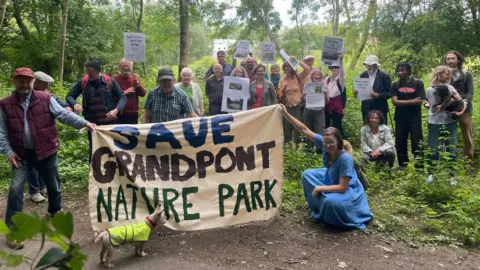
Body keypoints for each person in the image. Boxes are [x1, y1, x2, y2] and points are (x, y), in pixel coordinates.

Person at [0, 68, 96, 249]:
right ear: (14, 81)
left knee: (53, 185)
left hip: (46, 151)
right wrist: (9, 153)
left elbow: (64, 115)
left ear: (33, 82)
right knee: (15, 189)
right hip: (21, 155)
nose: (25, 84)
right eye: (21, 80)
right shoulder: (5, 104)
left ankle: (54, 210)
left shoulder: (45, 98)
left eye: (28, 81)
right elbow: (1, 132)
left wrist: (84, 123)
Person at [280, 104, 373, 229]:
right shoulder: (325, 143)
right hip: (329, 177)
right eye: (325, 143)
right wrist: (285, 114)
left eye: (331, 143)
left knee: (331, 202)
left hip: (347, 189)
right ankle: (317, 204)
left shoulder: (345, 158)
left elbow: (342, 187)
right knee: (307, 174)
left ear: (339, 142)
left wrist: (320, 188)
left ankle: (332, 213)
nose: (328, 146)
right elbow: (304, 130)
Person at [66, 59, 126, 162]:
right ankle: (94, 175)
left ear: (98, 71)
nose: (89, 74)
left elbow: (122, 97)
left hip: (109, 123)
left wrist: (116, 110)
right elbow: (70, 96)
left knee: (112, 149)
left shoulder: (109, 81)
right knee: (94, 150)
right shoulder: (84, 82)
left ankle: (114, 173)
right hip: (92, 125)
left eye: (91, 71)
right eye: (87, 71)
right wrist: (74, 104)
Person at [425, 66, 466, 182]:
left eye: (449, 74)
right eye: (447, 74)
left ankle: (441, 175)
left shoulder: (435, 89)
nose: (449, 77)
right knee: (442, 147)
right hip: (442, 121)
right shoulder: (443, 89)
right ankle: (442, 175)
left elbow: (434, 107)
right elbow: (436, 106)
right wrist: (451, 100)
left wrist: (448, 102)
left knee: (442, 147)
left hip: (442, 122)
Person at [391, 63, 426, 169]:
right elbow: (394, 102)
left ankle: (419, 165)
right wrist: (412, 101)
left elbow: (419, 101)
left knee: (417, 141)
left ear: (408, 71)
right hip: (400, 117)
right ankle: (402, 164)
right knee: (400, 141)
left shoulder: (418, 83)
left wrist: (403, 102)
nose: (400, 72)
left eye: (403, 70)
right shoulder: (395, 84)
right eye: (399, 70)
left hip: (415, 118)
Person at [444, 51, 475, 159]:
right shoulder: (443, 75)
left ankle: (469, 158)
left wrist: (464, 103)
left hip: (465, 109)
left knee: (467, 135)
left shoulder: (466, 74)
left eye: (453, 58)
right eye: (448, 59)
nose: (450, 61)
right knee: (447, 134)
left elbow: (470, 92)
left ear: (458, 60)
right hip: (448, 108)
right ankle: (449, 159)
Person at [277, 57, 311, 144]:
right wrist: (283, 91)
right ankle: (288, 151)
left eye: (289, 66)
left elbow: (307, 69)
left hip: (297, 107)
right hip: (286, 107)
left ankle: (297, 150)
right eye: (285, 66)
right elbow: (279, 95)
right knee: (287, 130)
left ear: (293, 68)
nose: (287, 68)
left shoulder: (298, 77)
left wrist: (297, 60)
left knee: (298, 130)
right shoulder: (282, 80)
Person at [355, 55, 392, 124]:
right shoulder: (363, 75)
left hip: (380, 108)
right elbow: (360, 91)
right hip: (366, 108)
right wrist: (357, 93)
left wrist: (379, 95)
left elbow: (389, 93)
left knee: (381, 130)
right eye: (367, 65)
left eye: (370, 65)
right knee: (367, 129)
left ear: (376, 65)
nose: (368, 67)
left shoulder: (384, 76)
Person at [112, 58, 146, 124]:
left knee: (131, 134)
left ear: (132, 67)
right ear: (120, 67)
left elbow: (143, 94)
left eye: (128, 66)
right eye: (124, 66)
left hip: (132, 115)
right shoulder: (114, 79)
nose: (126, 68)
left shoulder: (135, 78)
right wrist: (124, 93)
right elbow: (110, 97)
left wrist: (138, 86)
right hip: (118, 114)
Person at [302, 69, 328, 142]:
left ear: (321, 76)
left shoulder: (324, 86)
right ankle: (308, 148)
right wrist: (303, 95)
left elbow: (326, 102)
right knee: (308, 128)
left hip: (320, 110)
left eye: (319, 74)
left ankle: (319, 148)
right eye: (315, 74)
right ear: (312, 76)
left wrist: (325, 95)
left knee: (320, 129)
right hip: (308, 110)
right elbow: (303, 100)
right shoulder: (307, 85)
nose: (317, 76)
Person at [324, 54, 346, 138]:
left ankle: (342, 144)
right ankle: (328, 142)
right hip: (328, 103)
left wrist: (341, 59)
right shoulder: (327, 79)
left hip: (336, 105)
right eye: (332, 67)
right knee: (327, 125)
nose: (333, 69)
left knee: (338, 126)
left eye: (336, 67)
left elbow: (342, 73)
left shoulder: (341, 79)